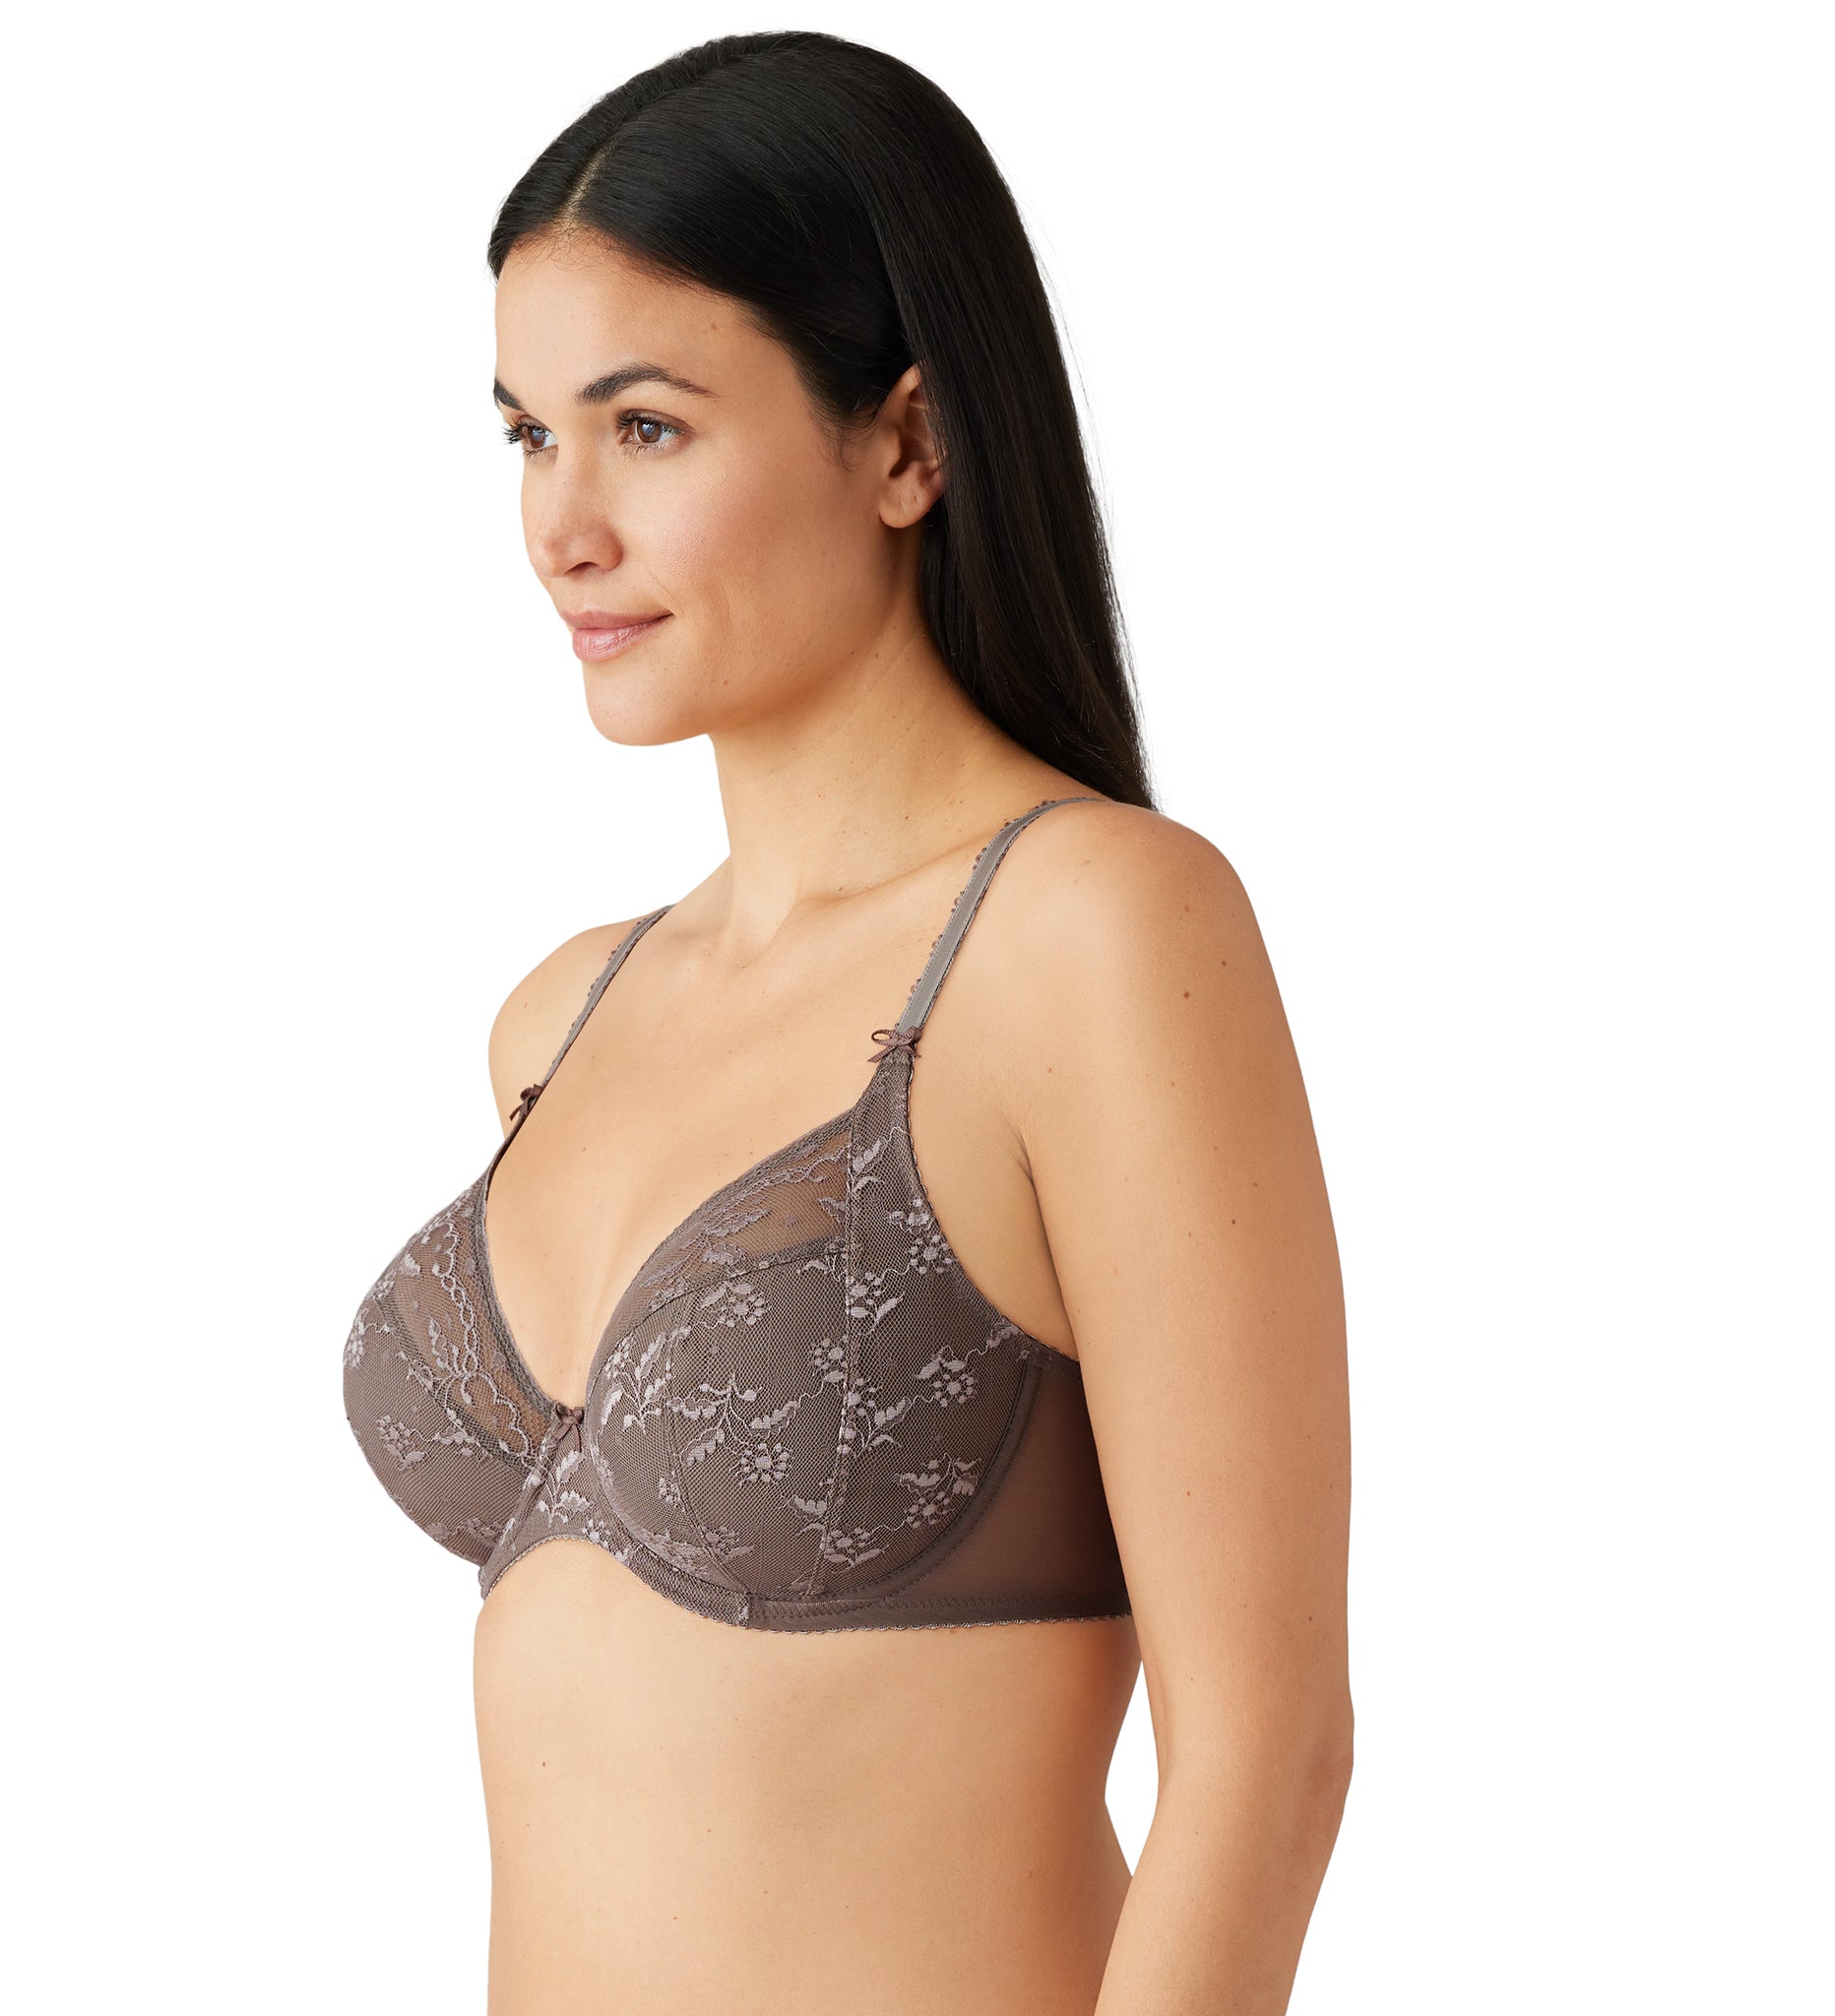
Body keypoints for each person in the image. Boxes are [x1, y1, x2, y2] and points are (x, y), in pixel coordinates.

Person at [343, 32, 1351, 2015]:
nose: (561, 527)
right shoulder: (561, 1018)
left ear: (907, 442)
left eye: (645, 427)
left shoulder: (1090, 937)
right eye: (527, 434)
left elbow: (1265, 1755)